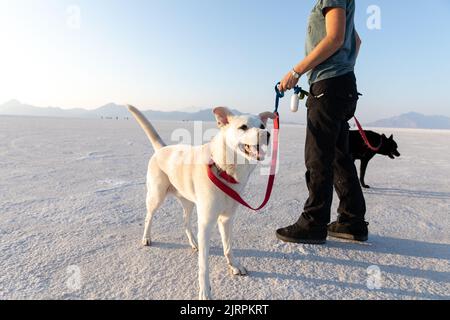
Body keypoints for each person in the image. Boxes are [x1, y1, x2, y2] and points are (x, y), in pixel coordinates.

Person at [276, 0, 368, 244]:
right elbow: (355, 41)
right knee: (339, 155)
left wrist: (296, 72)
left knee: (318, 157)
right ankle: (352, 221)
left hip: (328, 87)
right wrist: (344, 68)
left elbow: (336, 38)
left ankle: (314, 224)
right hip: (342, 86)